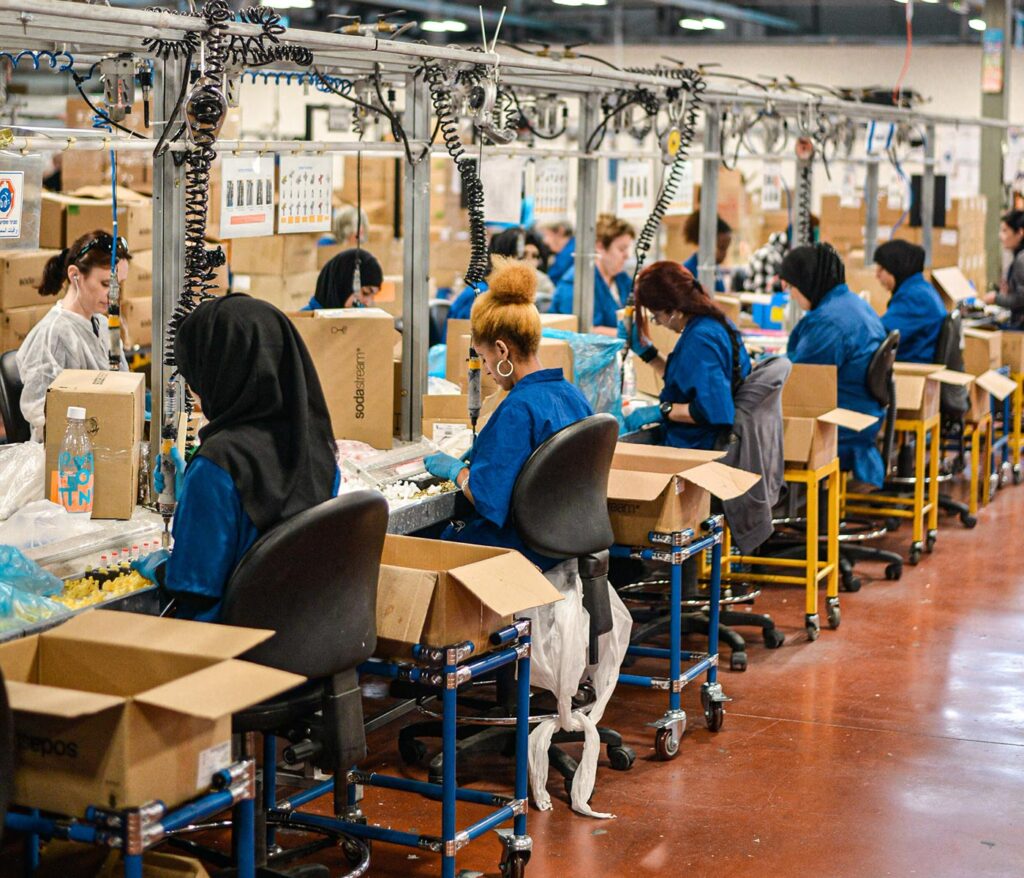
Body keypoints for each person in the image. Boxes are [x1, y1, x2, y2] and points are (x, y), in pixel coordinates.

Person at [139, 294, 339, 621]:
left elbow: (193, 584)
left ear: (222, 374)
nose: (193, 391)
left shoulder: (218, 465)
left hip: (230, 650)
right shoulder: (315, 447)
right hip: (307, 639)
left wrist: (160, 567)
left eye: (195, 377)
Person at [423, 259, 592, 571]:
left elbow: (487, 498)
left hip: (520, 548)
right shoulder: (572, 393)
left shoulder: (518, 408)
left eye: (485, 358)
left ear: (501, 351)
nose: (486, 370)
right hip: (563, 541)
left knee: (420, 544)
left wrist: (457, 471)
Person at [780, 244, 887, 486]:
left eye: (792, 288)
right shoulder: (854, 304)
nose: (792, 297)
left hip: (843, 422)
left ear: (806, 283)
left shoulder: (828, 323)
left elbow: (801, 380)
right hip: (865, 413)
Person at [17, 231, 132, 442]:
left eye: (119, 285)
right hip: (67, 455)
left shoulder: (105, 325)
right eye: (106, 284)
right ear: (74, 275)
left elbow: (124, 386)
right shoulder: (54, 334)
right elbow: (40, 411)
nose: (114, 295)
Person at [623, 262, 751, 449]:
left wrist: (664, 410)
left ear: (674, 311)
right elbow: (687, 381)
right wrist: (648, 354)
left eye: (655, 316)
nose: (657, 323)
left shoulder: (701, 339)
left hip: (698, 450)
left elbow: (714, 409)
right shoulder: (710, 323)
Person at [550, 214, 634, 335]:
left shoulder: (622, 280)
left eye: (627, 249)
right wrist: (628, 335)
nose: (627, 256)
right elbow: (583, 331)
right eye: (621, 249)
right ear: (600, 247)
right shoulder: (575, 283)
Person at [874, 240, 945, 364]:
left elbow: (881, 334)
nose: (877, 275)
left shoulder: (915, 297)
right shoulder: (921, 288)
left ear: (894, 268)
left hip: (913, 368)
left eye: (881, 269)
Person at [446, 226, 527, 326]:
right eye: (520, 258)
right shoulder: (479, 293)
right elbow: (464, 335)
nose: (525, 265)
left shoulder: (513, 296)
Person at [303, 248, 383, 310]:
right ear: (343, 284)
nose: (368, 303)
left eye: (373, 296)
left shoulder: (362, 323)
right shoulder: (300, 324)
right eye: (366, 292)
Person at [983, 210, 1024, 328]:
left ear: (1020, 233)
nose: (1001, 236)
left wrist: (996, 298)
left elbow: (1022, 298)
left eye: (1005, 231)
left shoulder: (1021, 259)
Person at [682, 212, 731, 293]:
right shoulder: (688, 271)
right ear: (707, 245)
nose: (725, 253)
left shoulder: (715, 268)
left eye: (726, 248)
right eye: (721, 248)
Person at [541, 221, 575, 286]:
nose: (545, 241)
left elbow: (552, 281)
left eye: (546, 235)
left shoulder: (568, 254)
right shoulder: (568, 250)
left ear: (560, 231)